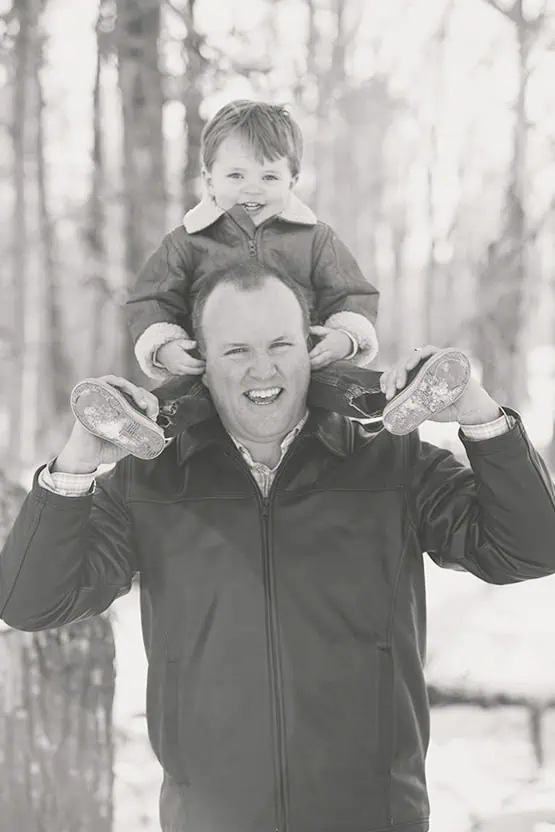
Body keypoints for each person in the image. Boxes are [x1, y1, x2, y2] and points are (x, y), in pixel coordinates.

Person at [3, 261, 554, 832]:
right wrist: (76, 465)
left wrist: (479, 417)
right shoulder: (152, 480)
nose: (262, 368)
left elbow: (531, 548)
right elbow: (30, 602)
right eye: (236, 350)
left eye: (280, 344)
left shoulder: (391, 459)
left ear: (312, 350)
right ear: (202, 364)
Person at [68, 100, 470, 460]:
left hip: (300, 357)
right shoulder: (187, 242)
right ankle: (143, 421)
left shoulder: (314, 239)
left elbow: (350, 293)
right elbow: (152, 299)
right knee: (186, 393)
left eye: (269, 177)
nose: (252, 190)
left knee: (337, 380)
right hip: (214, 360)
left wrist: (346, 337)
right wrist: (165, 346)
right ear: (209, 180)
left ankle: (394, 398)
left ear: (292, 181)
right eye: (236, 175)